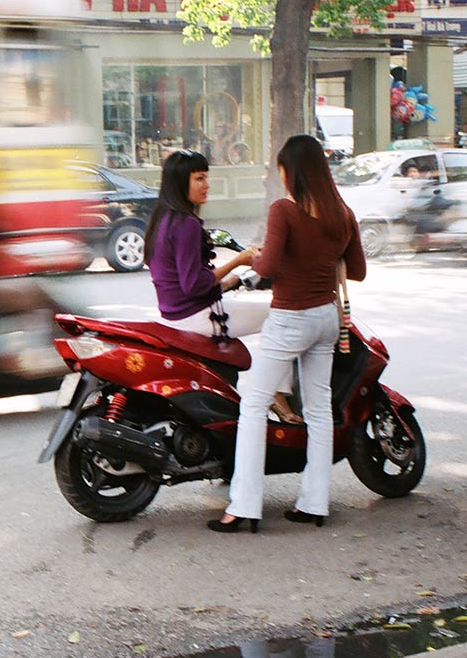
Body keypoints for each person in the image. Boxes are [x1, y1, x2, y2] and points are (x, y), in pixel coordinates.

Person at [208, 135, 366, 534]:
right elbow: (358, 270)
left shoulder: (284, 211)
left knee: (254, 405)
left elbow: (268, 266)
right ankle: (314, 503)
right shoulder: (343, 215)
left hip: (291, 318)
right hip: (327, 319)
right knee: (318, 412)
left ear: (290, 172)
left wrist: (255, 255)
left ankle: (243, 506)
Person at [144, 149, 299, 423]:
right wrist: (239, 259)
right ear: (181, 182)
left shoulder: (162, 219)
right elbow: (194, 285)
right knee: (283, 315)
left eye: (206, 178)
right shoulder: (187, 224)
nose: (207, 185)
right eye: (199, 178)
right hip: (197, 317)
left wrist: (233, 279)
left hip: (176, 315)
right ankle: (276, 394)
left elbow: (185, 282)